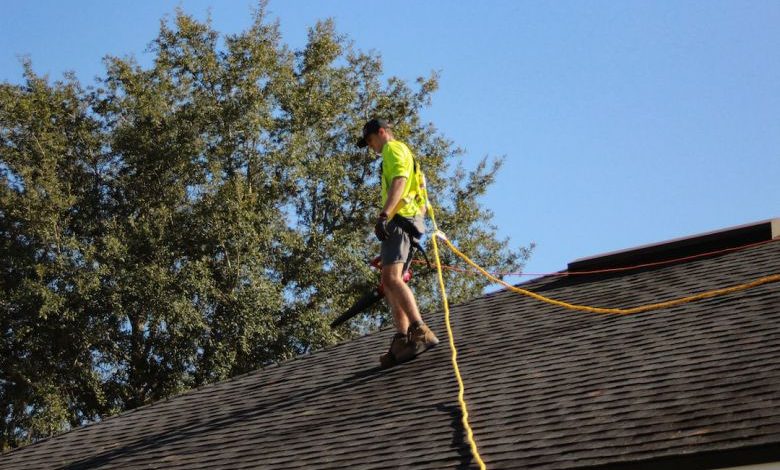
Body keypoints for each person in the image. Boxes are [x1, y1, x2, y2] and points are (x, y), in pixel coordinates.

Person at [357, 118, 440, 368]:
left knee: (391, 278)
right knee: (389, 280)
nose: (371, 147)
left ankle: (419, 329)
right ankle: (403, 339)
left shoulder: (393, 149)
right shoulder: (402, 152)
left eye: (370, 140)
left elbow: (400, 181)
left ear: (381, 133)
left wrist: (384, 215)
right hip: (408, 219)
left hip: (400, 219)